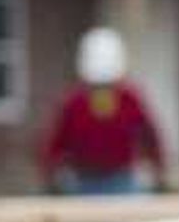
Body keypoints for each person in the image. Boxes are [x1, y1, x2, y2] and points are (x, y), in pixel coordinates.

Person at [40, 25, 172, 195]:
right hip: (84, 181)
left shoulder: (127, 99)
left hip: (120, 180)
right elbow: (55, 142)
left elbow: (150, 135)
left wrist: (159, 168)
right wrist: (51, 172)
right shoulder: (76, 102)